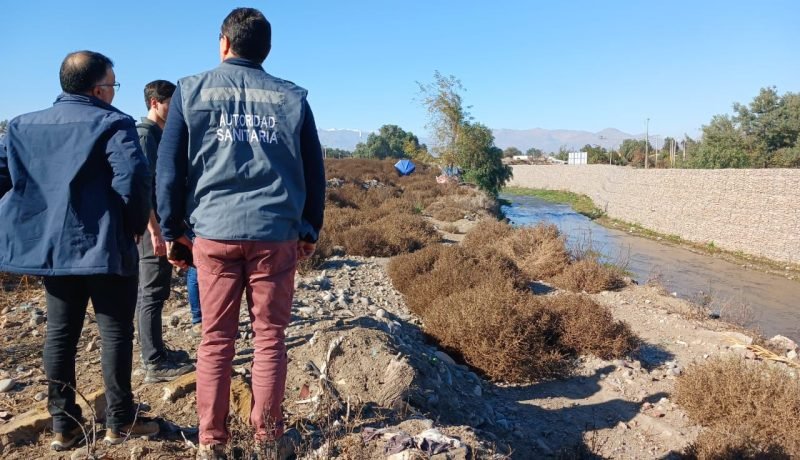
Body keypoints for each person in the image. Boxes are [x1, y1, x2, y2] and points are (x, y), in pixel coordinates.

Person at [156, 8, 325, 459]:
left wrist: (172, 231)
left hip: (213, 233)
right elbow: (314, 169)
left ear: (223, 43)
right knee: (270, 337)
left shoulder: (190, 91)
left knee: (215, 339)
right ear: (265, 50)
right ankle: (269, 437)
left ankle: (211, 440)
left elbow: (168, 170)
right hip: (275, 233)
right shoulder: (291, 97)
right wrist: (309, 227)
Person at [0, 51, 159, 451]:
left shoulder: (21, 126)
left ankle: (63, 425)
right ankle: (119, 421)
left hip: (50, 249)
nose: (113, 92)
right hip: (105, 245)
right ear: (98, 88)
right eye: (113, 85)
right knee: (115, 332)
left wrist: (26, 221)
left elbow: (5, 179)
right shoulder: (113, 122)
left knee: (59, 334)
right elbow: (136, 176)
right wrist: (134, 225)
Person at [135, 80, 194, 382]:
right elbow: (143, 189)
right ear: (155, 102)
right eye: (171, 102)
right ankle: (153, 363)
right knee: (151, 292)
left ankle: (157, 352)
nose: (175, 109)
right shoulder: (145, 136)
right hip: (152, 227)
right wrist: (156, 231)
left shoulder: (159, 135)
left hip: (159, 224)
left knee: (156, 292)